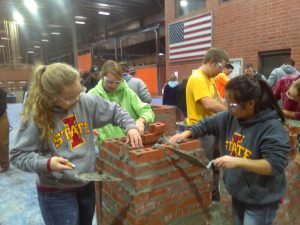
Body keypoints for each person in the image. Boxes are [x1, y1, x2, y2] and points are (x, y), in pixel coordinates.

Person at [10, 63, 142, 225]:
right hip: (56, 193)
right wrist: (47, 164)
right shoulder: (37, 116)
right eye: (70, 98)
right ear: (52, 97)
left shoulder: (84, 101)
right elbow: (17, 156)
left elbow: (115, 111)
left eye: (79, 92)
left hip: (86, 185)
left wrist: (130, 126)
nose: (77, 99)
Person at [170, 75, 290, 225]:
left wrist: (238, 162)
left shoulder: (271, 128)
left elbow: (275, 165)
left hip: (260, 200)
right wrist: (187, 133)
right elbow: (209, 123)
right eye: (226, 102)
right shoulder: (230, 116)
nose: (228, 107)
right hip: (239, 193)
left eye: (232, 104)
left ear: (251, 104)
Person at [186, 47, 229, 201]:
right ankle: (204, 200)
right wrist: (232, 111)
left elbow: (218, 100)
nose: (221, 71)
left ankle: (214, 197)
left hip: (213, 129)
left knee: (216, 164)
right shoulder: (197, 78)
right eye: (220, 67)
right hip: (202, 132)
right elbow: (209, 104)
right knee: (205, 167)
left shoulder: (210, 79)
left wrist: (230, 104)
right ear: (211, 62)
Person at [89, 60, 155, 143]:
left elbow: (147, 111)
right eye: (110, 82)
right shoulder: (92, 95)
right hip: (102, 147)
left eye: (117, 82)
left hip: (126, 144)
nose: (113, 86)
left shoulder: (127, 93)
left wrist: (141, 120)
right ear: (102, 77)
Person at [0, 87, 9, 172]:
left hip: (1, 118)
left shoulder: (2, 92)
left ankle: (4, 164)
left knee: (3, 143)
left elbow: (2, 108)